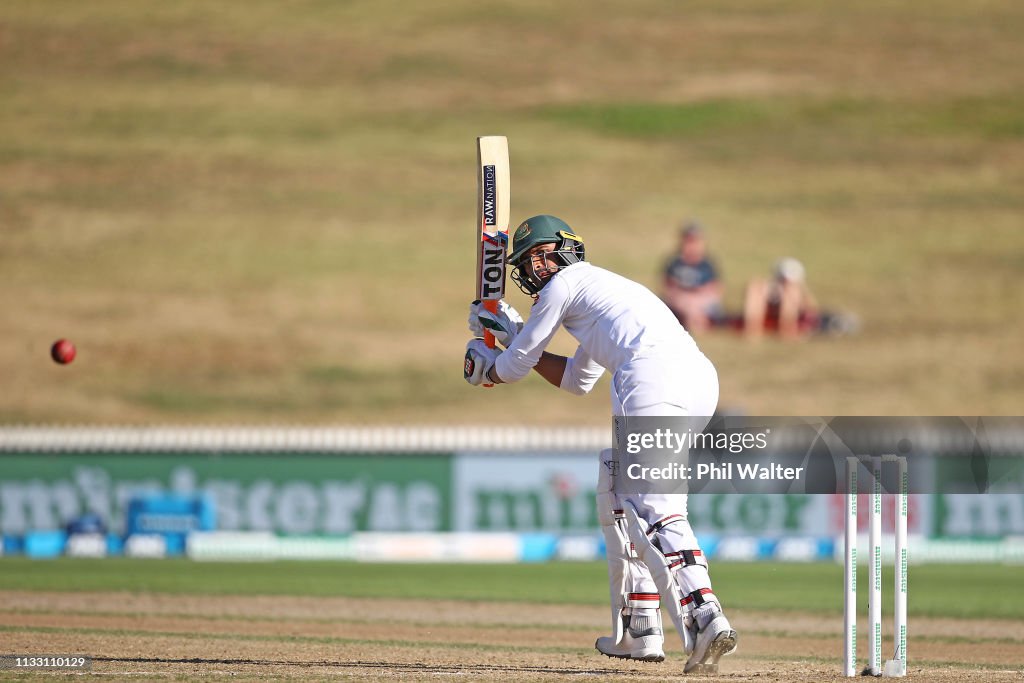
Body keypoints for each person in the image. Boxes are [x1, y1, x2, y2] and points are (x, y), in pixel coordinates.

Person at [463, 215, 738, 673]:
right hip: (696, 378)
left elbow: (513, 367)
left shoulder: (562, 286)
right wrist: (510, 337)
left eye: (529, 262)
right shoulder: (601, 292)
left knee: (652, 504)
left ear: (549, 254)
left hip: (652, 377)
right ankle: (640, 627)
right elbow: (576, 379)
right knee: (616, 483)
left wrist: (485, 364)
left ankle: (704, 613)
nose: (527, 275)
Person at [661, 222, 724, 334]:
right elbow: (668, 288)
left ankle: (694, 322)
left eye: (695, 241)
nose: (692, 245)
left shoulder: (708, 264)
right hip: (681, 301)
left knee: (695, 303)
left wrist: (696, 299)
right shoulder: (674, 263)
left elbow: (715, 290)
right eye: (689, 241)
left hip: (702, 301)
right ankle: (697, 323)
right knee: (686, 302)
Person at [743, 257, 820, 340]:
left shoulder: (795, 289)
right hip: (772, 312)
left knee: (791, 291)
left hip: (794, 317)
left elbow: (811, 310)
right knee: (755, 286)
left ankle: (787, 329)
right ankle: (753, 329)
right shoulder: (767, 287)